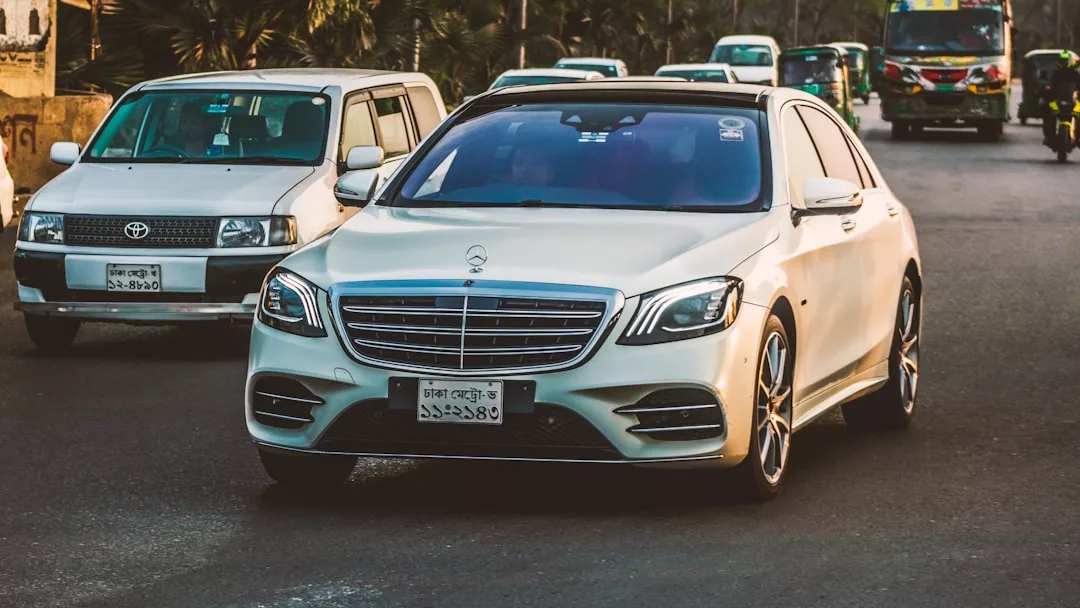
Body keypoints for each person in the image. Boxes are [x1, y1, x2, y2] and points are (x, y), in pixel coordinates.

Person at [1043, 51, 1080, 147]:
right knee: (1047, 111)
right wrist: (1048, 89)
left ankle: (1078, 137)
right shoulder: (1056, 73)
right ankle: (1049, 136)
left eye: (1066, 60)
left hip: (1073, 100)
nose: (1065, 62)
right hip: (1058, 100)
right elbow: (1050, 84)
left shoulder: (1075, 73)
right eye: (1063, 60)